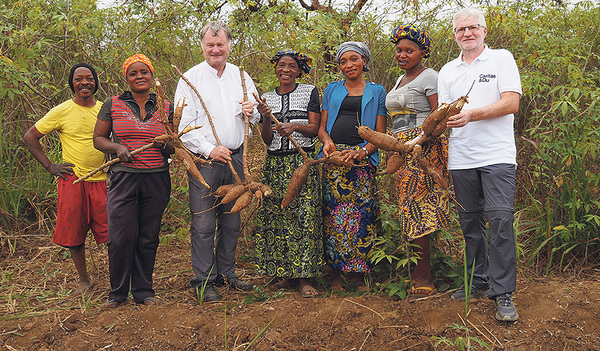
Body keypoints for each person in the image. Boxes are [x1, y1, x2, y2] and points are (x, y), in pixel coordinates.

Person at [438, 7, 522, 321]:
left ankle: (503, 294)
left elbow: (511, 102)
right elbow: (446, 113)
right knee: (470, 225)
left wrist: (473, 113)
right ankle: (478, 280)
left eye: (472, 28)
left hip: (497, 155)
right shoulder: (448, 71)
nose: (467, 34)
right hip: (461, 158)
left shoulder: (501, 58)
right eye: (461, 30)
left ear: (484, 31)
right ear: (455, 35)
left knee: (500, 221)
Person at [174, 21, 261, 302]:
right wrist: (210, 149)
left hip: (236, 159)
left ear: (229, 45)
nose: (215, 49)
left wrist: (253, 111)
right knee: (203, 223)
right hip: (205, 161)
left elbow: (258, 113)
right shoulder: (190, 79)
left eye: (220, 44)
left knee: (232, 220)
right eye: (210, 45)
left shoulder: (242, 76)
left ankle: (228, 273)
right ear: (202, 46)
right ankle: (204, 279)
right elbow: (182, 126)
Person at [93, 54, 174, 307]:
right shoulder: (113, 103)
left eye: (144, 72)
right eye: (133, 73)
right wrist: (116, 148)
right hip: (123, 179)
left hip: (156, 179)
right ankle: (117, 293)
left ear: (152, 75)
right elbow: (98, 139)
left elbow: (173, 144)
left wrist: (169, 145)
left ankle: (143, 291)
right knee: (119, 237)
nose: (139, 77)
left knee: (148, 236)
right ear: (126, 78)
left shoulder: (166, 106)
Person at [23, 63, 108, 292]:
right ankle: (84, 280)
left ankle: (116, 279)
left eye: (89, 78)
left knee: (111, 233)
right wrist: (50, 166)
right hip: (74, 181)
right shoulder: (62, 111)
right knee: (75, 232)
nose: (84, 83)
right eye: (78, 79)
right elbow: (31, 136)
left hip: (102, 181)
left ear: (95, 82)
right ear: (72, 83)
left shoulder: (105, 109)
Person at [386, 24, 450, 297]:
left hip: (423, 150)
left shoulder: (429, 77)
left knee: (420, 209)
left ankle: (424, 275)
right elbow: (397, 120)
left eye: (409, 50)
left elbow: (439, 118)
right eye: (399, 50)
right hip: (402, 149)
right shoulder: (399, 81)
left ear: (422, 52)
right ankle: (416, 271)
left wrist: (417, 143)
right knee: (408, 210)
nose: (402, 55)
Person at [318, 42, 386, 291]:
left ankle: (360, 275)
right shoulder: (332, 90)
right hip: (334, 159)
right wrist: (327, 144)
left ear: (364, 61)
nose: (348, 65)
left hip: (361, 159)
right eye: (343, 61)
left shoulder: (377, 91)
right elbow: (323, 128)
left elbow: (380, 133)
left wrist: (362, 152)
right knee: (332, 216)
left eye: (354, 59)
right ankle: (335, 273)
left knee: (363, 216)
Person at [255, 50, 323, 298]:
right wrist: (264, 118)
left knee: (305, 217)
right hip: (274, 164)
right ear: (276, 68)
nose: (285, 69)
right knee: (277, 217)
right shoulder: (266, 98)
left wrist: (294, 126)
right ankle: (283, 274)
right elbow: (266, 139)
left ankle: (305, 277)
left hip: (302, 162)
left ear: (298, 70)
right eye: (281, 65)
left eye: (291, 66)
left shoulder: (309, 92)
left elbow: (315, 129)